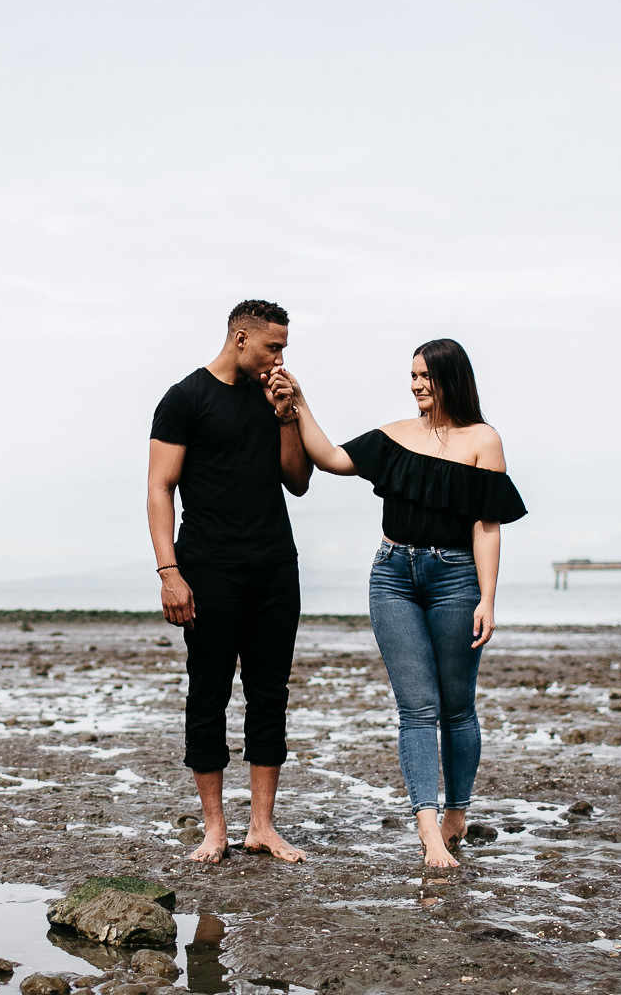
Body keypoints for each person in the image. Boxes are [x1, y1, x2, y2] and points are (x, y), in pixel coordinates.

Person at [280, 339, 526, 868]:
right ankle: (428, 829)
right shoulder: (395, 435)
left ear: (450, 379)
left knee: (457, 706)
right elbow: (330, 458)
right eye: (412, 375)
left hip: (456, 578)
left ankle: (458, 810)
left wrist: (487, 597)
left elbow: (487, 526)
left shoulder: (483, 440)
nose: (416, 384)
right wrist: (299, 402)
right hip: (392, 577)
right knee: (417, 708)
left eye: (425, 376)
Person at [148, 299, 312, 864]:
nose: (280, 358)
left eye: (284, 347)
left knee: (270, 694)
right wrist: (170, 572)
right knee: (208, 692)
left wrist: (287, 416)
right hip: (208, 567)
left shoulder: (275, 398)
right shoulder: (185, 398)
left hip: (274, 566)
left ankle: (261, 826)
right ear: (241, 338)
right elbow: (159, 487)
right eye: (274, 346)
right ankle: (214, 829)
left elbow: (297, 481)